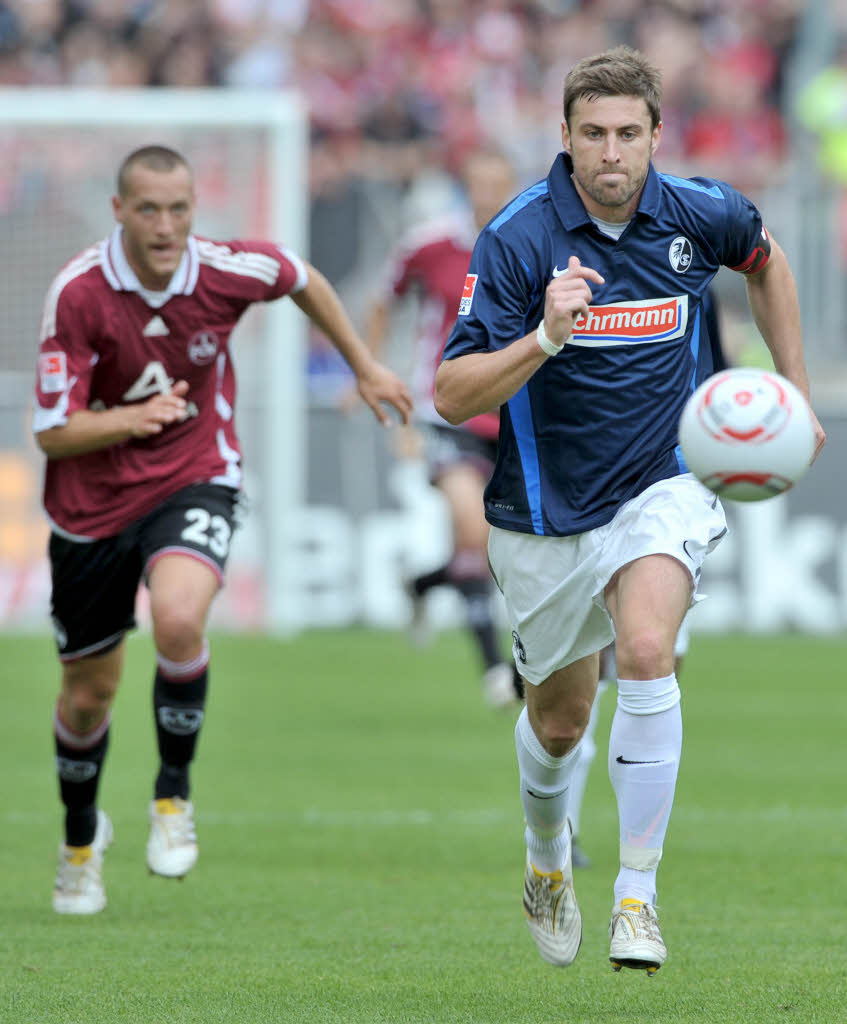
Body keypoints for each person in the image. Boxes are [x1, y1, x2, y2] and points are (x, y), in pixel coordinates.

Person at [434, 46, 825, 974]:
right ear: (564, 139)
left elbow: (763, 263)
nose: (610, 154)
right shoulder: (517, 239)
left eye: (627, 135)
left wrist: (793, 393)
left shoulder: (701, 211)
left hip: (663, 483)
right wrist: (543, 336)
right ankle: (545, 858)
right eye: (592, 136)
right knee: (560, 722)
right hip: (542, 510)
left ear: (655, 137)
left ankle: (636, 899)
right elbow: (451, 394)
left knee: (648, 651)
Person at [33, 145, 413, 915]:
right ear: (118, 211)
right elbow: (51, 432)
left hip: (194, 472)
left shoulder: (221, 270)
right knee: (85, 697)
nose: (166, 225)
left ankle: (172, 796)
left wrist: (363, 366)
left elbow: (302, 279)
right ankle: (80, 842)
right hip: (90, 508)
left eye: (179, 209)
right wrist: (129, 419)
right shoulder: (77, 294)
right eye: (148, 209)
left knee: (178, 617)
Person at [566, 285, 727, 870]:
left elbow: (717, 381)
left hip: (668, 497)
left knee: (653, 659)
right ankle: (563, 828)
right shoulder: (560, 266)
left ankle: (636, 886)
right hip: (582, 502)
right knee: (578, 691)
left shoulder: (689, 269)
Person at [363, 147, 522, 708]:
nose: (488, 192)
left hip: (514, 415)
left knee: (501, 549)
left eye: (497, 181)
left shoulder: (533, 241)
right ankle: (495, 671)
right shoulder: (430, 245)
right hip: (446, 409)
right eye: (478, 181)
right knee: (471, 529)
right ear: (465, 185)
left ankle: (422, 585)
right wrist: (370, 370)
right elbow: (384, 301)